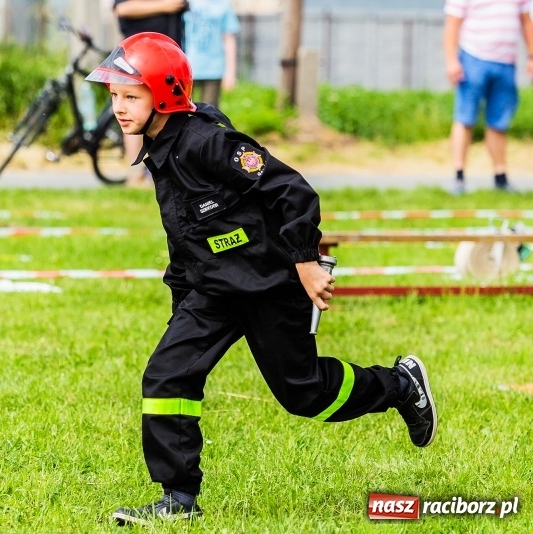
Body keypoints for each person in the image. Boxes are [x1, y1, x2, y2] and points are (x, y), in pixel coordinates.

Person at [85, 32, 438, 527]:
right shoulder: (160, 150)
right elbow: (186, 235)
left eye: (131, 96)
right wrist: (182, 308)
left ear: (164, 94)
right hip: (214, 289)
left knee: (306, 394)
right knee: (167, 375)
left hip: (270, 284)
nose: (118, 109)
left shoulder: (207, 141)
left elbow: (293, 190)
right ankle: (178, 499)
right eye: (114, 97)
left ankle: (401, 385)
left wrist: (305, 260)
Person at [443, 0, 533, 195]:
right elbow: (452, 24)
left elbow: (526, 21)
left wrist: (531, 56)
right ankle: (459, 177)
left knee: (499, 122)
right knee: (465, 118)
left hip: (506, 62)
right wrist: (451, 60)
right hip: (472, 58)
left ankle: (500, 178)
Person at [113, 0, 189, 187]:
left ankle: (171, 172)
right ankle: (135, 174)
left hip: (169, 61)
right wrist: (165, 5)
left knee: (170, 116)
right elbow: (122, 8)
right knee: (132, 113)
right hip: (138, 60)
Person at [182, 0, 240, 107]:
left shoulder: (223, 5)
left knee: (209, 114)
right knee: (182, 111)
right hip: (186, 69)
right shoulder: (184, 2)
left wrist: (230, 72)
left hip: (214, 69)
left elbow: (229, 39)